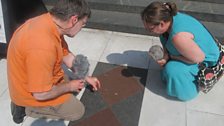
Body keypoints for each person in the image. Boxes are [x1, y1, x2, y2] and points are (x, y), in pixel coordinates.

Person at [7, 0, 101, 124]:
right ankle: (26, 108)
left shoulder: (49, 22)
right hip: (31, 94)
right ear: (73, 20)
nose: (81, 28)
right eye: (82, 24)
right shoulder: (42, 46)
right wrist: (69, 86)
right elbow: (40, 94)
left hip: (39, 77)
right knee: (77, 111)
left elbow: (66, 56)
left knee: (77, 82)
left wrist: (86, 77)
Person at [141, 1, 220, 101]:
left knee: (172, 70)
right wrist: (166, 54)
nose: (148, 31)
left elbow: (198, 59)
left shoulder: (178, 37)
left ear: (161, 24)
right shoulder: (171, 17)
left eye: (150, 28)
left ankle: (188, 91)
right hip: (198, 50)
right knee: (169, 64)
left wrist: (171, 57)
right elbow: (165, 39)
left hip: (206, 61)